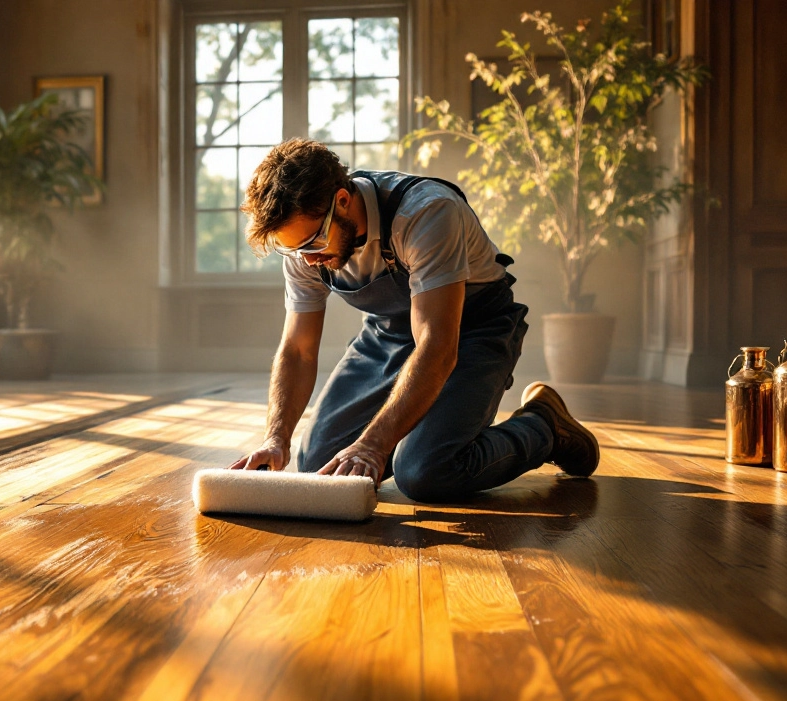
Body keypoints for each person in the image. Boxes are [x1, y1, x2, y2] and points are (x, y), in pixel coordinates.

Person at [227, 138, 600, 503]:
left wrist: (374, 445)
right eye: (293, 249)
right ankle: (404, 438)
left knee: (424, 471)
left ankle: (544, 426)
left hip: (473, 329)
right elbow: (298, 350)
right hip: (387, 333)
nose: (306, 260)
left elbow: (437, 346)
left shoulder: (426, 213)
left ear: (342, 200)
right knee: (317, 467)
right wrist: (276, 436)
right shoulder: (303, 245)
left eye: (312, 244)